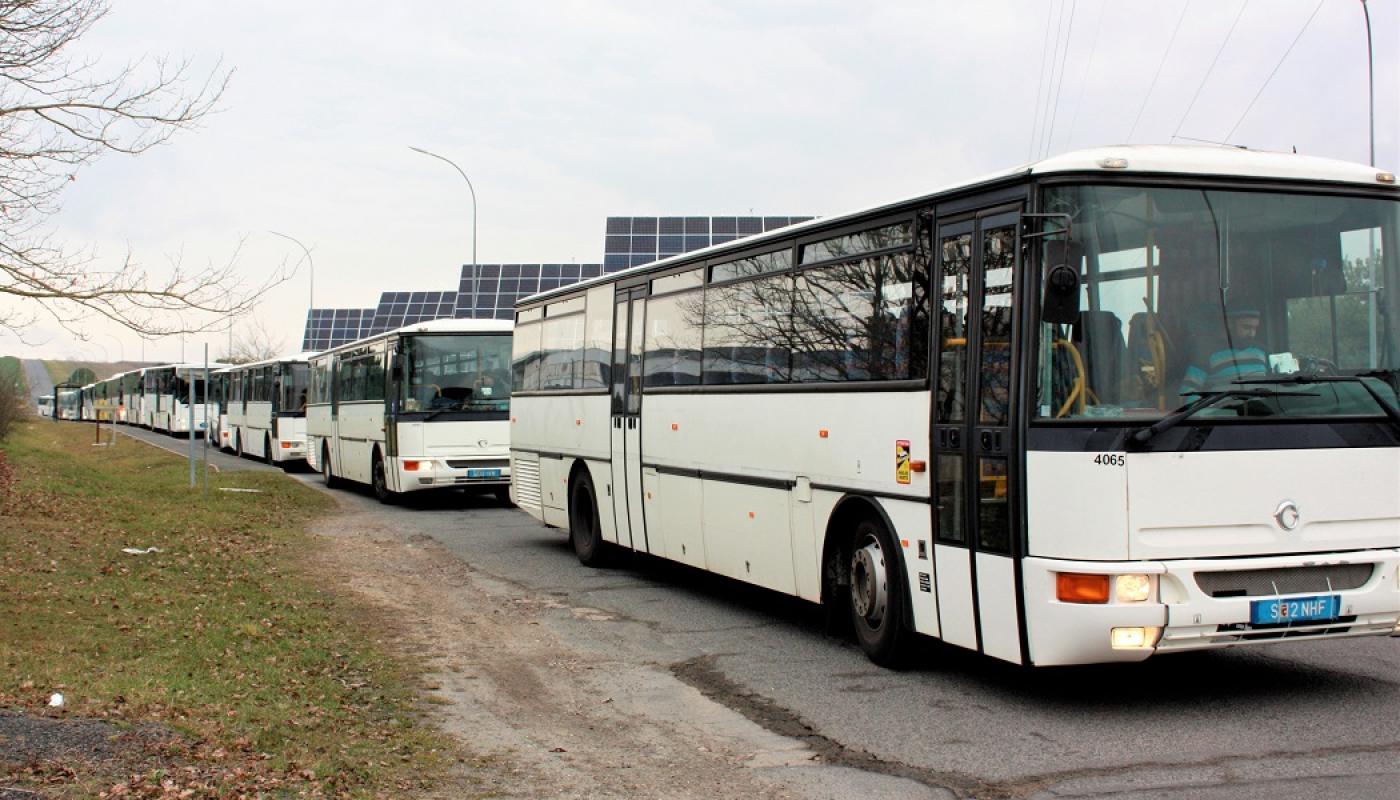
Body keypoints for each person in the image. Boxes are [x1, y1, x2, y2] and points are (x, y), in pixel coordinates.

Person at [1178, 306, 1268, 398]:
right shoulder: (1207, 353)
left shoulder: (1262, 351)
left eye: (1255, 328)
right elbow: (1188, 391)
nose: (1252, 334)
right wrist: (1207, 411)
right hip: (1224, 410)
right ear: (1229, 324)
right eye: (1246, 327)